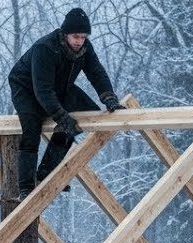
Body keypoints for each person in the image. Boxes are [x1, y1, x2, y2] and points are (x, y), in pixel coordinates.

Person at [7, 7, 123, 198]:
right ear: (65, 33)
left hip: (58, 87)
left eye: (83, 37)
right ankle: (26, 188)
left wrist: (109, 98)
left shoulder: (85, 49)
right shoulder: (45, 48)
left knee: (87, 114)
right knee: (31, 129)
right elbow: (43, 91)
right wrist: (62, 117)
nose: (79, 41)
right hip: (26, 88)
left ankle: (46, 173)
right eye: (76, 36)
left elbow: (97, 73)